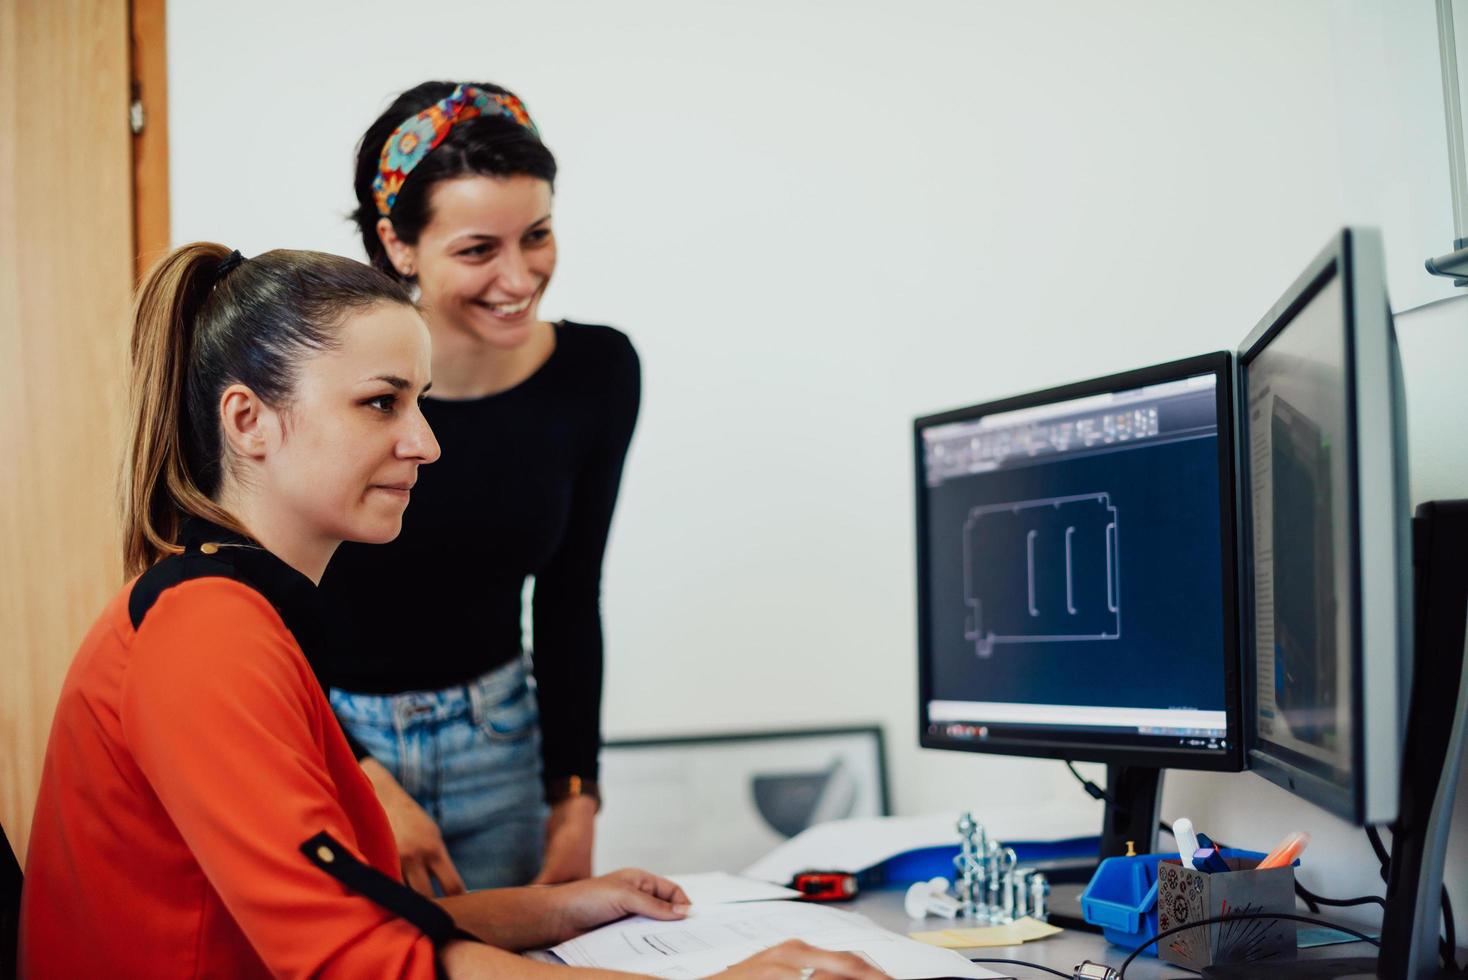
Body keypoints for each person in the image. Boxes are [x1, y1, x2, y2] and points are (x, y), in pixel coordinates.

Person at [18, 242, 881, 980]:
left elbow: (373, 914)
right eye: (381, 402)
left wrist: (562, 906)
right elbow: (361, 961)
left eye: (421, 402)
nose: (425, 442)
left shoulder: (235, 614)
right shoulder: (207, 637)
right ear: (248, 420)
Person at [319, 80, 637, 892]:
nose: (519, 276)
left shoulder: (596, 373)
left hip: (500, 748)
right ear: (398, 246)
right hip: (328, 741)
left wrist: (575, 799)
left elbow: (571, 596)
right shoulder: (317, 374)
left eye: (536, 235)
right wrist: (365, 779)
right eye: (476, 250)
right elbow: (265, 604)